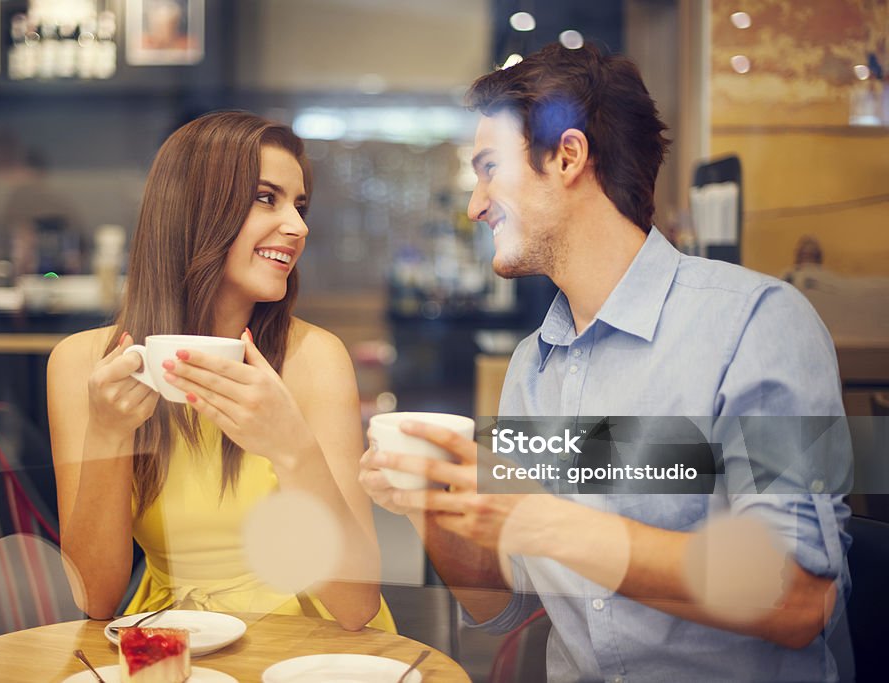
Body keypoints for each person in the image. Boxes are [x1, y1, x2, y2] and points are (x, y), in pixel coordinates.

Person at [360, 43, 850, 680]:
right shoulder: (532, 367)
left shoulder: (756, 325)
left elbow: (797, 597)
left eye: (489, 168)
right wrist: (433, 504)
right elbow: (503, 605)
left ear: (567, 156)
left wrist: (540, 519)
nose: (476, 204)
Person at [48, 111, 392, 631]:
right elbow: (95, 598)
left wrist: (291, 448)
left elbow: (356, 605)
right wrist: (109, 432)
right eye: (265, 198)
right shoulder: (83, 366)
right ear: (193, 212)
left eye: (299, 206)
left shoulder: (315, 359)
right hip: (171, 640)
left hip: (308, 641)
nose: (298, 227)